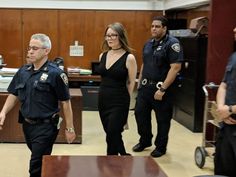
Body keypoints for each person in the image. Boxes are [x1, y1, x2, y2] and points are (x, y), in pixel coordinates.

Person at [0, 33, 76, 177]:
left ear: (46, 51)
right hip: (27, 125)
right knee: (41, 162)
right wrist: (3, 112)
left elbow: (66, 102)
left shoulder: (56, 74)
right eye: (29, 48)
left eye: (35, 48)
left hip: (46, 127)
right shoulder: (23, 71)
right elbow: (14, 94)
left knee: (35, 165)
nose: (30, 51)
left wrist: (70, 128)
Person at [132, 16, 183, 157]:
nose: (154, 28)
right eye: (152, 26)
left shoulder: (172, 44)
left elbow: (175, 68)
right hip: (145, 88)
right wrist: (139, 82)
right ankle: (145, 140)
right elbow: (144, 64)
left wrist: (162, 89)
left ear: (165, 28)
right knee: (140, 114)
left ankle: (160, 147)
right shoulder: (148, 44)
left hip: (161, 89)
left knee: (162, 120)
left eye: (157, 26)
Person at [97, 22, 137, 155]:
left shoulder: (129, 57)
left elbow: (131, 82)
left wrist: (127, 102)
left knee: (113, 132)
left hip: (119, 101)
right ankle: (123, 155)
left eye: (113, 35)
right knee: (110, 132)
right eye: (107, 35)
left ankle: (111, 161)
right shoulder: (102, 55)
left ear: (121, 36)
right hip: (103, 99)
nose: (110, 38)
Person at [215, 27, 236, 176]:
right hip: (226, 126)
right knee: (223, 169)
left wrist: (230, 109)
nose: (234, 29)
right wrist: (222, 108)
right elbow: (224, 85)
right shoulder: (234, 57)